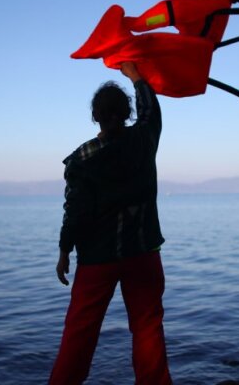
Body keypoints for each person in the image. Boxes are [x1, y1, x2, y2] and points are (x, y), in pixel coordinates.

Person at [48, 61, 172, 385]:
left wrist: (64, 250)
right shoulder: (143, 140)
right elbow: (151, 112)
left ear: (96, 116)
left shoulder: (81, 160)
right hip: (143, 254)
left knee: (79, 333)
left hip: (96, 260)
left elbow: (75, 211)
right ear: (127, 113)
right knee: (147, 329)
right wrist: (136, 77)